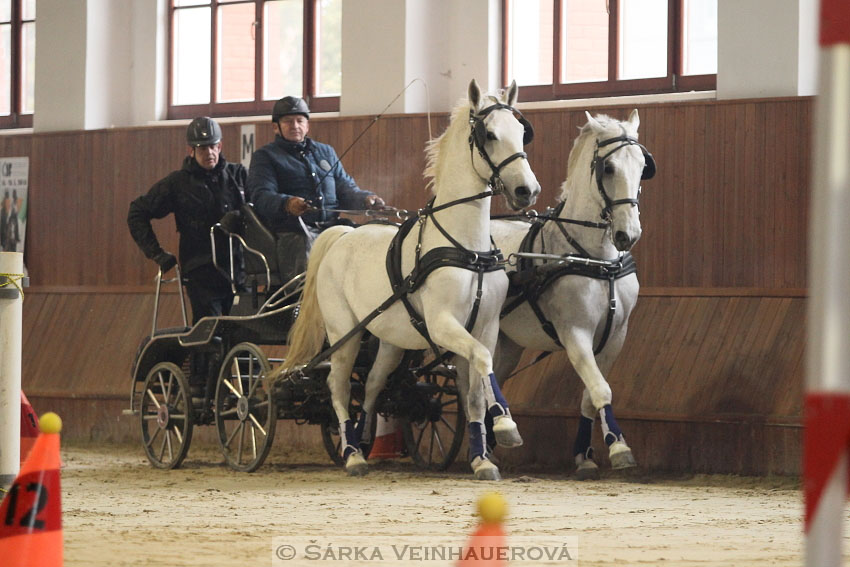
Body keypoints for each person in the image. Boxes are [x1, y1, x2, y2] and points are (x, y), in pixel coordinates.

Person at [246, 96, 385, 281]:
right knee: (305, 262)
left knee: (368, 241)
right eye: (288, 121)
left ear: (307, 125)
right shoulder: (265, 157)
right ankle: (299, 302)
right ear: (275, 127)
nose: (295, 125)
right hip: (295, 232)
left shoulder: (325, 152)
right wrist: (287, 203)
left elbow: (345, 188)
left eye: (300, 120)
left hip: (332, 228)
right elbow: (261, 196)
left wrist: (366, 199)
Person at [127, 116, 247, 324]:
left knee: (246, 328)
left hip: (238, 269)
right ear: (190, 151)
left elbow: (258, 210)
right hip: (201, 272)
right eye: (202, 149)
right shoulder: (177, 184)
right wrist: (156, 253)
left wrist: (241, 217)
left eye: (212, 147)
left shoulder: (238, 175)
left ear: (220, 146)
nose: (209, 153)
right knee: (210, 331)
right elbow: (137, 212)